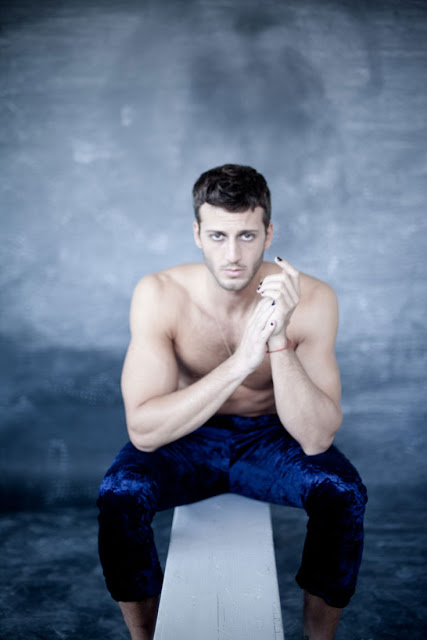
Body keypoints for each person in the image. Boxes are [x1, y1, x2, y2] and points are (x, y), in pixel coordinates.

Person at [97, 164, 367, 640]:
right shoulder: (160, 294)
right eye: (218, 236)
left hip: (272, 438)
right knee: (120, 493)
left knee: (342, 494)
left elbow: (315, 438)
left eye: (247, 236)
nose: (233, 255)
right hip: (188, 434)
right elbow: (144, 431)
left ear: (268, 234)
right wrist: (242, 362)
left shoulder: (314, 298)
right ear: (197, 234)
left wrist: (278, 338)